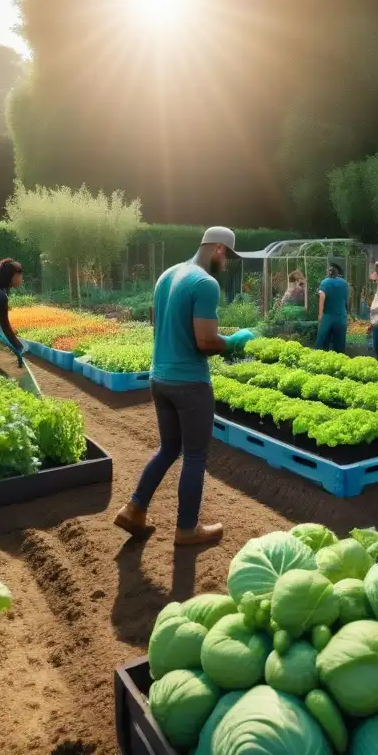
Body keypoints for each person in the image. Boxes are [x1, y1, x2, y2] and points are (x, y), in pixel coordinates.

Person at [114, 226, 254, 546]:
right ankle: (187, 529)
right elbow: (205, 341)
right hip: (189, 383)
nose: (227, 263)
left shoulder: (169, 274)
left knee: (168, 448)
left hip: (159, 377)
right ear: (218, 249)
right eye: (228, 256)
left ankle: (134, 509)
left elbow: (157, 322)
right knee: (194, 456)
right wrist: (233, 343)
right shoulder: (205, 283)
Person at [315, 262, 349, 352]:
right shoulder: (344, 283)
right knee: (340, 345)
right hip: (341, 316)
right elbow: (346, 300)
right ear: (337, 273)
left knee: (322, 344)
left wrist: (320, 316)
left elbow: (322, 296)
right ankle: (339, 362)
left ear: (329, 272)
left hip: (327, 317)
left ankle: (322, 362)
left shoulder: (325, 282)